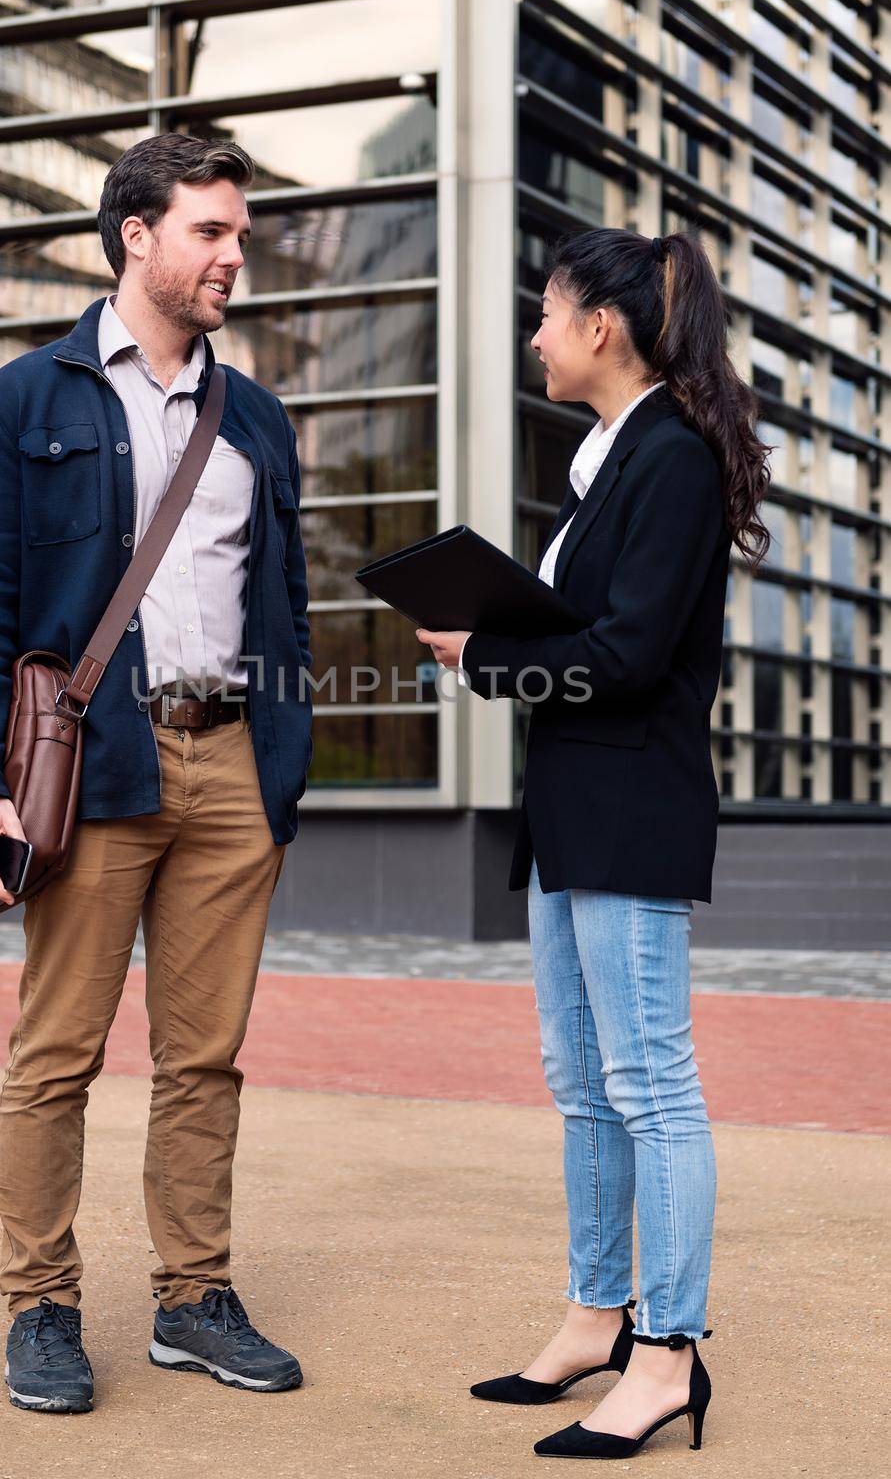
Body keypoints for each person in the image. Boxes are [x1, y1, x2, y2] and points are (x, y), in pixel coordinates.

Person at [0, 133, 313, 1412]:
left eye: (240, 237)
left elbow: (287, 609)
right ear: (135, 236)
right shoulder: (27, 397)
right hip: (94, 764)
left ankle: (191, 1297)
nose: (231, 257)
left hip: (228, 770)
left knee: (206, 1058)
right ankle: (40, 1308)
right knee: (58, 1052)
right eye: (210, 232)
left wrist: (283, 763)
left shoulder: (255, 414)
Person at [416, 227, 770, 1460]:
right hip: (571, 810)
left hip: (631, 808)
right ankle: (592, 1316)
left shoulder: (666, 459)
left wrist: (488, 655)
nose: (534, 334)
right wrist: (494, 636)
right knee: (583, 1090)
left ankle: (667, 1354)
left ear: (601, 328)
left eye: (546, 313)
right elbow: (588, 632)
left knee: (651, 1090)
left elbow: (623, 656)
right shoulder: (603, 459)